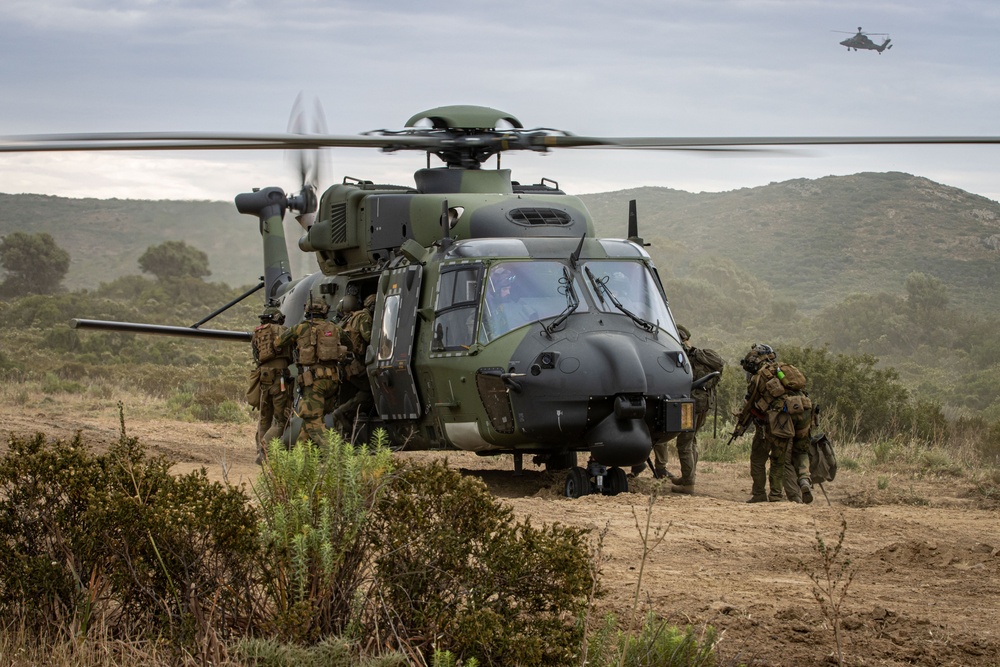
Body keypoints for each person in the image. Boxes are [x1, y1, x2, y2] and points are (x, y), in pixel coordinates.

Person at [735, 344, 814, 504]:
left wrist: (740, 426)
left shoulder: (758, 378)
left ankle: (766, 495)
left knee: (764, 459)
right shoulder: (784, 369)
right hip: (804, 410)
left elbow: (750, 405)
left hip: (778, 421)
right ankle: (803, 482)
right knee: (798, 453)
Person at [652, 325, 724, 494]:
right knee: (692, 441)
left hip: (689, 406)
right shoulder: (703, 356)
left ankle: (688, 483)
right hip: (704, 405)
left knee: (684, 443)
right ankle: (688, 477)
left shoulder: (685, 357)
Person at [277, 297, 349, 446]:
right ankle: (299, 461)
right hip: (333, 381)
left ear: (307, 310)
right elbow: (350, 343)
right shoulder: (334, 328)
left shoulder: (300, 328)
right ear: (325, 311)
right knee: (309, 421)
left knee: (314, 423)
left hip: (314, 383)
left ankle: (337, 458)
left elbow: (278, 342)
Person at [250, 301, 292, 464]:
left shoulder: (257, 333)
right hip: (279, 377)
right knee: (280, 418)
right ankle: (265, 450)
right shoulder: (283, 330)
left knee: (264, 416)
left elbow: (256, 356)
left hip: (263, 377)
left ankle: (260, 451)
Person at [333, 290, 375, 439]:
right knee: (370, 393)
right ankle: (343, 412)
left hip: (346, 366)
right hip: (357, 365)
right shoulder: (363, 317)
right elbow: (369, 337)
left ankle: (343, 434)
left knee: (348, 395)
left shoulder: (346, 320)